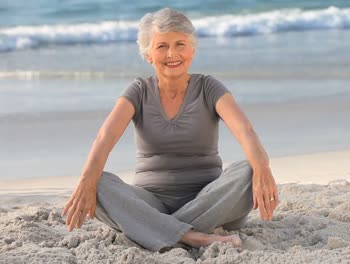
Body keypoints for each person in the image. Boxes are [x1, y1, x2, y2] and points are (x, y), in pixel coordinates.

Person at [61, 7, 279, 252]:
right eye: (162, 46)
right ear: (148, 55)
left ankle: (156, 230)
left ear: (192, 50)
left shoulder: (209, 87)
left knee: (250, 168)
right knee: (95, 182)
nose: (172, 53)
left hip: (210, 201)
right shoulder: (138, 91)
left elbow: (245, 130)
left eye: (180, 44)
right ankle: (194, 237)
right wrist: (85, 181)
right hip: (150, 202)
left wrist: (262, 169)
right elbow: (105, 136)